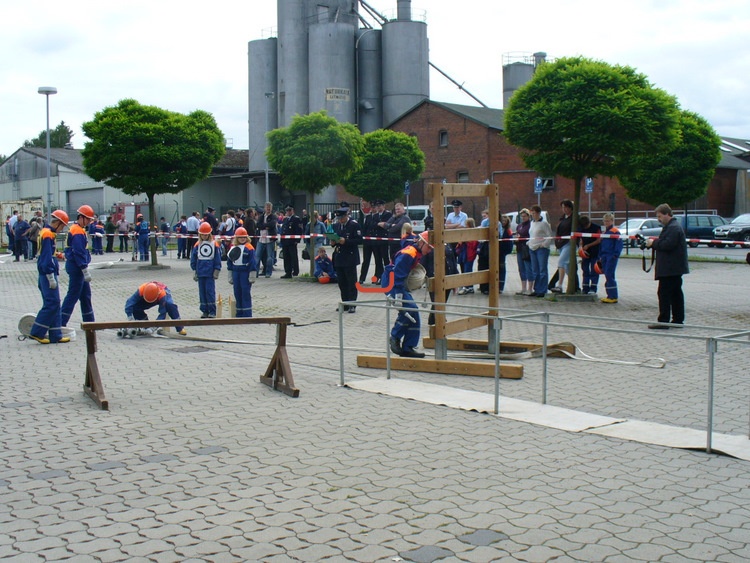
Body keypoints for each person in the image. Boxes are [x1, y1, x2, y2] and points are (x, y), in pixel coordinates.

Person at [384, 230, 433, 358]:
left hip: (397, 283)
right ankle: (394, 337)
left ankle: (409, 347)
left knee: (414, 312)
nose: (429, 251)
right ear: (422, 243)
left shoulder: (416, 252)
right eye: (429, 247)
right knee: (409, 309)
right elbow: (397, 275)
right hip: (392, 283)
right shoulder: (409, 254)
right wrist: (398, 297)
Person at [29, 210, 70, 344]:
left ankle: (56, 334)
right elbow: (46, 257)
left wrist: (57, 254)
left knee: (55, 303)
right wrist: (50, 275)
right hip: (47, 274)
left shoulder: (47, 232)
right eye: (62, 226)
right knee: (52, 303)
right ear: (57, 223)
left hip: (47, 272)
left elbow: (47, 252)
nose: (62, 229)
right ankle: (37, 332)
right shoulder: (47, 234)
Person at [645, 203, 689, 328]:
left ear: (667, 214)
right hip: (674, 268)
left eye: (659, 216)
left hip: (670, 268)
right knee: (676, 294)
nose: (658, 219)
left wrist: (653, 243)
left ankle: (664, 321)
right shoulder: (672, 227)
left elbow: (667, 245)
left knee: (664, 294)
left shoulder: (673, 228)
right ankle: (678, 320)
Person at [61, 205, 96, 327]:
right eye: (88, 219)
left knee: (85, 296)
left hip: (77, 267)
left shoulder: (78, 229)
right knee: (73, 295)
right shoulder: (77, 231)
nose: (89, 222)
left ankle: (90, 323)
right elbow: (79, 251)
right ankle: (60, 322)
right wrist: (84, 269)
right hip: (77, 268)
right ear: (81, 217)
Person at [330, 207, 362, 313]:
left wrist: (346, 241)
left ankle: (352, 304)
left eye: (341, 218)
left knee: (351, 282)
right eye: (338, 218)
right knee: (342, 282)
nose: (340, 220)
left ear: (346, 216)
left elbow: (359, 240)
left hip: (350, 257)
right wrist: (333, 242)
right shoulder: (337, 225)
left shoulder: (354, 225)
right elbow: (335, 238)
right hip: (339, 256)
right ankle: (345, 303)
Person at [190, 222, 222, 318]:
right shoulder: (197, 245)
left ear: (209, 234)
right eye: (203, 234)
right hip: (200, 272)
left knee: (210, 292)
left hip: (210, 273)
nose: (204, 236)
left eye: (206, 234)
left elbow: (217, 258)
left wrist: (216, 270)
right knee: (202, 293)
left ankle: (212, 311)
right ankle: (204, 310)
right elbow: (193, 257)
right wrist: (194, 270)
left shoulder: (214, 244)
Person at [226, 227, 257, 317]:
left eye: (244, 237)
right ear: (236, 238)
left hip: (245, 272)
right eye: (240, 237)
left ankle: (247, 314)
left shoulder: (249, 248)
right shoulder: (233, 248)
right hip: (236, 272)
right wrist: (230, 274)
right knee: (237, 292)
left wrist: (252, 275)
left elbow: (252, 261)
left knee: (245, 292)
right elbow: (229, 262)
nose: (242, 239)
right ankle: (239, 313)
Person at [528, 205, 553, 298]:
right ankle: (537, 289)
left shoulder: (544, 224)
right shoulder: (532, 223)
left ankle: (542, 290)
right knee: (535, 270)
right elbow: (531, 235)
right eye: (532, 213)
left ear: (538, 213)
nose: (533, 215)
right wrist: (529, 243)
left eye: (534, 213)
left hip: (541, 249)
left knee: (542, 269)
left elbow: (549, 236)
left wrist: (544, 244)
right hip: (532, 248)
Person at [597, 213, 623, 303]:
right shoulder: (605, 232)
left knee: (609, 275)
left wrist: (615, 255)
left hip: (611, 256)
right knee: (607, 275)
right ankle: (609, 295)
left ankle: (613, 296)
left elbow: (619, 244)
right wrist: (600, 255)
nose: (606, 223)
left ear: (612, 221)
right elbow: (601, 245)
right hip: (604, 256)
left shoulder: (615, 231)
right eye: (605, 221)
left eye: (608, 221)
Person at [550, 199, 574, 293]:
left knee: (561, 262)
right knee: (566, 266)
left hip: (569, 243)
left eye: (566, 207)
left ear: (570, 208)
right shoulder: (562, 218)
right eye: (563, 207)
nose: (564, 209)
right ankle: (574, 285)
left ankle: (559, 285)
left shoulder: (574, 218)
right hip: (561, 243)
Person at [577, 215, 602, 295]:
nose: (585, 227)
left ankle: (593, 288)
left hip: (595, 251)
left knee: (594, 270)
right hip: (585, 252)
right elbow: (580, 238)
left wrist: (588, 245)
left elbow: (599, 240)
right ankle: (585, 287)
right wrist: (581, 246)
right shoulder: (581, 227)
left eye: (586, 226)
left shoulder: (596, 227)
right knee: (585, 269)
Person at [456, 217, 478, 294]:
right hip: (463, 254)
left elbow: (474, 244)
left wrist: (466, 241)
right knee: (464, 270)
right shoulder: (465, 232)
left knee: (468, 270)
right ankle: (466, 285)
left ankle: (469, 287)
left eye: (466, 224)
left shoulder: (474, 233)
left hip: (469, 254)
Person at [280, 205, 303, 278]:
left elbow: (299, 230)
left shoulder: (296, 219)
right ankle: (288, 272)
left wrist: (297, 240)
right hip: (285, 241)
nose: (288, 212)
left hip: (292, 241)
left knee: (293, 257)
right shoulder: (285, 219)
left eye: (289, 210)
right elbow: (283, 230)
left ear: (292, 211)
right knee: (286, 257)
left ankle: (295, 271)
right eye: (287, 210)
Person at [514, 209, 533, 295]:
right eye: (522, 216)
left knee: (528, 268)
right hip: (519, 249)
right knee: (521, 268)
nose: (523, 218)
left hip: (527, 249)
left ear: (528, 216)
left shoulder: (530, 225)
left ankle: (530, 288)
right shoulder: (519, 226)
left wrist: (521, 237)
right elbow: (517, 235)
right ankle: (523, 288)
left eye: (525, 216)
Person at [359, 200, 378, 285]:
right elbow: (364, 228)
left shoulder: (378, 217)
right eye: (372, 207)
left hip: (376, 242)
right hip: (367, 242)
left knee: (377, 260)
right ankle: (362, 278)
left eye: (374, 207)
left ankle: (376, 277)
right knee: (366, 260)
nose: (373, 209)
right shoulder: (368, 217)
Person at [372, 199, 392, 282]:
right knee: (378, 259)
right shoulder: (375, 216)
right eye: (377, 206)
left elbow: (386, 225)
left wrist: (381, 224)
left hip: (384, 239)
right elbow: (373, 225)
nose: (378, 207)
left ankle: (387, 275)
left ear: (384, 206)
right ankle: (379, 275)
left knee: (385, 258)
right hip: (376, 240)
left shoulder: (388, 214)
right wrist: (379, 224)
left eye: (380, 206)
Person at [257, 202, 278, 278]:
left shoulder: (274, 216)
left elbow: (272, 224)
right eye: (267, 207)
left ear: (271, 208)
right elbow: (258, 225)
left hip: (270, 239)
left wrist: (263, 226)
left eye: (269, 207)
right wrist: (265, 226)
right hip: (261, 239)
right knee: (257, 256)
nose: (268, 209)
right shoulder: (261, 216)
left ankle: (268, 272)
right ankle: (255, 272)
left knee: (269, 257)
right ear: (264, 208)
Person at [498, 214, 514, 293]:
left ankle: (500, 287)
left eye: (505, 221)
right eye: (502, 221)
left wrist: (505, 252)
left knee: (501, 269)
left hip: (502, 252)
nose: (503, 222)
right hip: (495, 252)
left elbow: (510, 243)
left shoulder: (508, 231)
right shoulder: (498, 228)